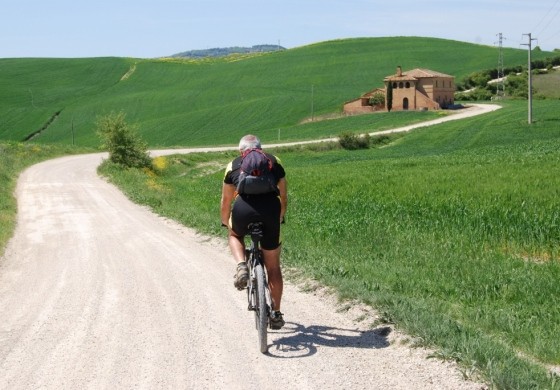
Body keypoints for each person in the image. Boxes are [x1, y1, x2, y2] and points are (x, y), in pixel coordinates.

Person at [221, 134, 288, 329]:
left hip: (243, 209)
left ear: (241, 151)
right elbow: (283, 195)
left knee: (234, 234)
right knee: (273, 267)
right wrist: (280, 216)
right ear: (261, 148)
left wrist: (226, 222)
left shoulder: (233, 164)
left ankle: (242, 265)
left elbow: (226, 200)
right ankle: (275, 313)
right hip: (270, 210)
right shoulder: (274, 161)